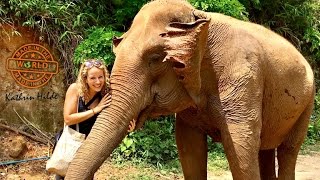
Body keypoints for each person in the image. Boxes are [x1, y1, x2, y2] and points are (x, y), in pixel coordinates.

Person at [54, 59, 135, 180]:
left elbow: (112, 120)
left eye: (100, 77)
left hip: (90, 147)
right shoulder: (75, 90)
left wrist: (127, 128)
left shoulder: (105, 94)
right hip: (71, 143)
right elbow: (68, 118)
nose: (98, 82)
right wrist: (95, 110)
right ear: (85, 78)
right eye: (93, 78)